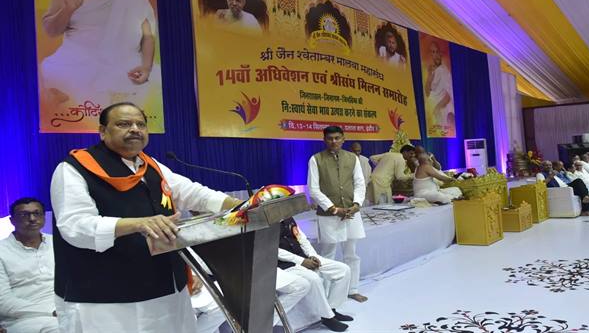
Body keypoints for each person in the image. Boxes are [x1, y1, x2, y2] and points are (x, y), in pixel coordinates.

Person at [50, 102, 243, 333]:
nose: (135, 129)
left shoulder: (150, 166)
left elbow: (194, 193)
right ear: (102, 131)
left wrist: (245, 205)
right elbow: (75, 226)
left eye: (140, 124)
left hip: (164, 289)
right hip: (105, 298)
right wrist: (139, 223)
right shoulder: (74, 169)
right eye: (124, 124)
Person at [40, 0, 157, 107]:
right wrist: (69, 9)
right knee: (49, 82)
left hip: (122, 67)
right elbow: (51, 31)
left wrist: (146, 67)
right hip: (72, 65)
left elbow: (148, 35)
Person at [307, 126, 367, 303]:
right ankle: (325, 295)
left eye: (337, 138)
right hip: (329, 215)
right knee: (328, 255)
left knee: (351, 253)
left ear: (343, 139)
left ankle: (352, 289)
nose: (334, 141)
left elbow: (360, 183)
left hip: (351, 212)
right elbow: (313, 189)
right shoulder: (316, 159)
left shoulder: (352, 158)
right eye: (330, 138)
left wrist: (356, 204)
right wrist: (333, 209)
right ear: (324, 140)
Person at [278, 217, 353, 332]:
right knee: (314, 278)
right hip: (287, 264)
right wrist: (301, 261)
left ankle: (332, 309)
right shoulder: (267, 224)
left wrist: (312, 255)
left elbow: (301, 238)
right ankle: (327, 317)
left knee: (343, 270)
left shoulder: (288, 218)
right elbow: (275, 251)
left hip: (304, 257)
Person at [0, 198, 58, 333]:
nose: (32, 219)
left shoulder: (57, 243)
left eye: (37, 213)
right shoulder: (2, 251)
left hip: (64, 309)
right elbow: (3, 301)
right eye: (24, 215)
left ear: (44, 217)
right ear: (12, 220)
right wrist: (51, 311)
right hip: (23, 318)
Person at [424, 41, 454, 131]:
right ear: (431, 55)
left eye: (437, 51)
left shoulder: (444, 71)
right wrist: (429, 75)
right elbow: (427, 93)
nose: (436, 55)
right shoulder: (433, 71)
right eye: (433, 52)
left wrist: (437, 108)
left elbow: (449, 95)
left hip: (444, 110)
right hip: (433, 110)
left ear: (440, 53)